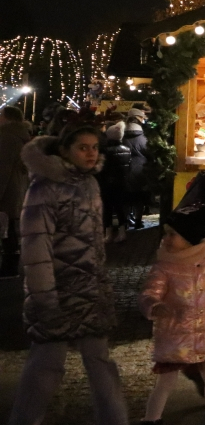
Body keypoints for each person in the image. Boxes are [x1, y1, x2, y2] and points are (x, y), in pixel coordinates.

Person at [9, 125, 129, 424]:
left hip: (88, 290)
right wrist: (45, 301)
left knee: (101, 363)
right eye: (82, 147)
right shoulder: (44, 188)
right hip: (57, 292)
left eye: (94, 147)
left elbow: (94, 244)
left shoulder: (89, 184)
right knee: (46, 367)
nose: (91, 154)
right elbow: (36, 248)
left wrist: (100, 283)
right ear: (64, 151)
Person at [139, 222, 205, 425]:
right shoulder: (164, 266)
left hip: (204, 334)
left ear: (190, 239)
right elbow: (150, 292)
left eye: (173, 234)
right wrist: (154, 306)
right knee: (166, 381)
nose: (166, 239)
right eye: (166, 234)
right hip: (175, 336)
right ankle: (151, 418)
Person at [0, 106, 31, 278]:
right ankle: (11, 264)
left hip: (8, 189)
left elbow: (3, 167)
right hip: (17, 187)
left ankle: (8, 267)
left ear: (8, 118)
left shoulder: (6, 136)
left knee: (7, 228)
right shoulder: (22, 135)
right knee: (11, 226)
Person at [98, 121, 132, 244]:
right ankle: (122, 233)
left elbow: (102, 169)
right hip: (122, 183)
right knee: (120, 208)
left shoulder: (105, 151)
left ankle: (108, 234)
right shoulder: (127, 150)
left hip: (107, 184)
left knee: (107, 209)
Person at [123, 107, 149, 229]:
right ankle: (138, 221)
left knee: (127, 198)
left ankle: (127, 219)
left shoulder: (122, 137)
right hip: (141, 170)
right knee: (140, 198)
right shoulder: (143, 139)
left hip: (125, 169)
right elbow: (148, 152)